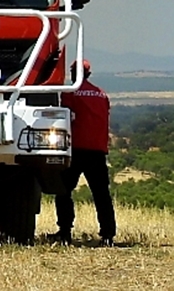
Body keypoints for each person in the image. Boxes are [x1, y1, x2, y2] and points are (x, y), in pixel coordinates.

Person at [52, 59, 116, 246]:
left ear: (73, 73)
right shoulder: (101, 95)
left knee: (63, 191)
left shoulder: (70, 93)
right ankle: (108, 234)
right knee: (101, 193)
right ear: (88, 73)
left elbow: (65, 116)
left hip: (76, 150)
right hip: (97, 151)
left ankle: (64, 232)